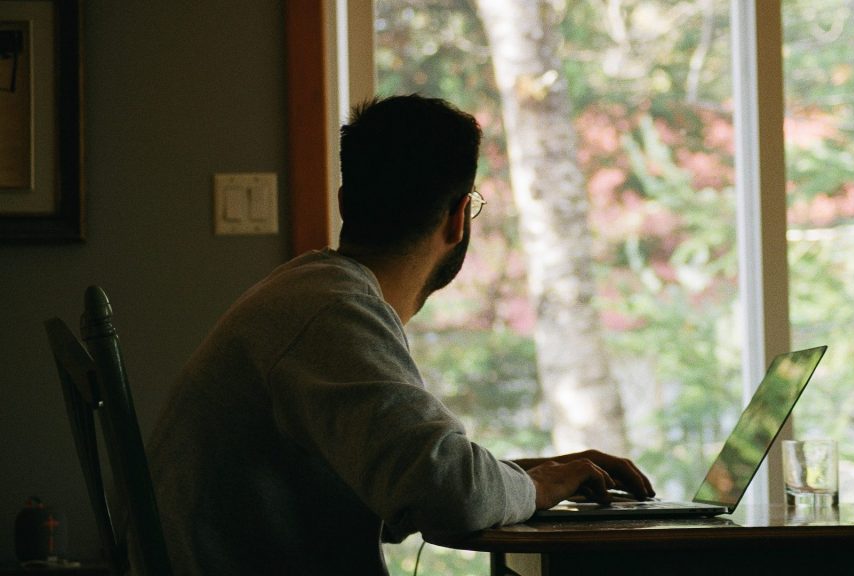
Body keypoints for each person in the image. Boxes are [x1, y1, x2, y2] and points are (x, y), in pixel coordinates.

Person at [147, 94, 654, 575]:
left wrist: (529, 476)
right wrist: (535, 487)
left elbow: (401, 481)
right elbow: (449, 495)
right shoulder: (332, 311)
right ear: (458, 219)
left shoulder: (307, 295)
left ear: (345, 202)